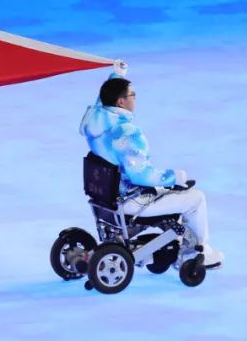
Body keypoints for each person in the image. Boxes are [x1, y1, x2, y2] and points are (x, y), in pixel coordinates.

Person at [80, 61, 224, 267]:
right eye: (132, 95)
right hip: (131, 199)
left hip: (105, 197)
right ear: (121, 102)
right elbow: (140, 175)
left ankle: (165, 250)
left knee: (171, 193)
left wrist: (117, 75)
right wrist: (174, 177)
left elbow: (103, 99)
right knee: (195, 198)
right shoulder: (127, 133)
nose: (135, 98)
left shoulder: (95, 121)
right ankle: (193, 253)